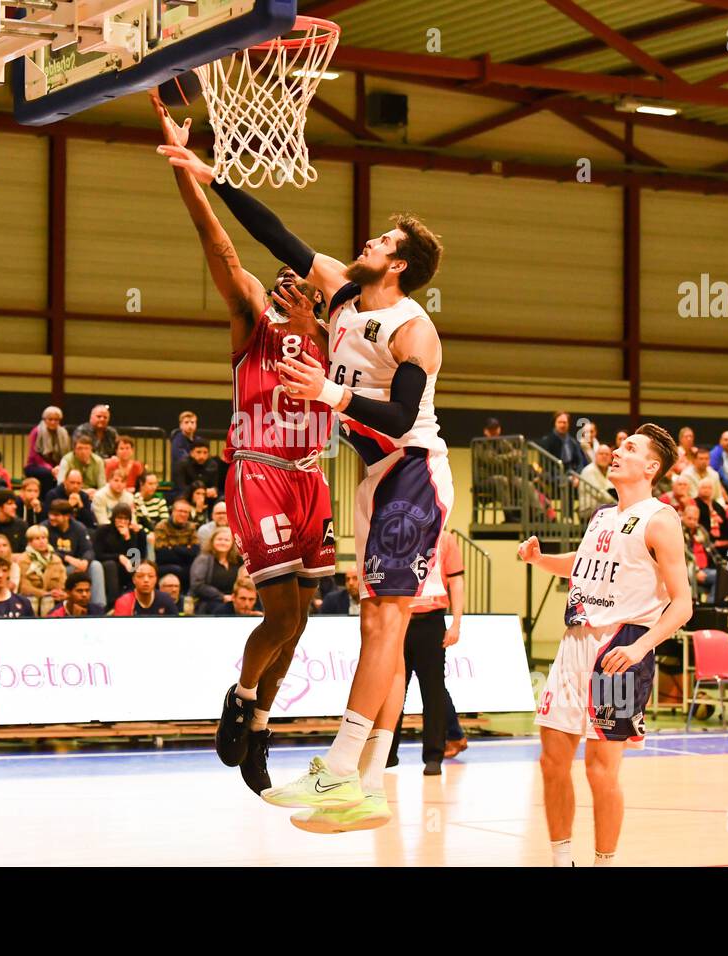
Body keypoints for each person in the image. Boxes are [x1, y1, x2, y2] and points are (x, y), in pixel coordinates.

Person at [163, 113, 451, 832]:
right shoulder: (343, 294)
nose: (368, 241)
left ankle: (344, 767)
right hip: (362, 477)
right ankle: (365, 780)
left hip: (407, 466)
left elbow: (401, 415)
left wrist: (326, 393)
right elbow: (272, 237)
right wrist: (209, 175)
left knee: (381, 623)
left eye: (382, 241)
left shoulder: (413, 326)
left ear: (400, 265)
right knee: (378, 625)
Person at [522, 425, 691, 866]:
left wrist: (641, 649)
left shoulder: (661, 518)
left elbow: (683, 604)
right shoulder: (602, 516)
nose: (617, 452)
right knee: (552, 761)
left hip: (620, 648)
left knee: (601, 771)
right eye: (619, 446)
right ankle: (562, 861)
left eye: (630, 449)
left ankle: (604, 863)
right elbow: (582, 565)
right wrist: (541, 560)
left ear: (651, 467)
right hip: (574, 642)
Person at [390, 531, 464, 774]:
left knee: (433, 691)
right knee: (394, 690)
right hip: (400, 619)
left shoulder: (446, 537)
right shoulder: (398, 534)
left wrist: (456, 623)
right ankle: (387, 753)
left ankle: (433, 756)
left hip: (432, 621)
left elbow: (456, 580)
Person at [92, 503, 147, 606]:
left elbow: (137, 559)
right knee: (111, 565)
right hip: (108, 566)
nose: (122, 522)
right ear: (113, 518)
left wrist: (127, 538)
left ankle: (134, 601)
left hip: (129, 567)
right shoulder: (103, 531)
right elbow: (98, 554)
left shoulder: (135, 533)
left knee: (136, 567)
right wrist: (119, 557)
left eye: (126, 519)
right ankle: (113, 603)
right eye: (119, 518)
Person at [190, 527, 243, 615]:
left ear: (232, 543)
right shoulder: (203, 559)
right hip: (210, 601)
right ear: (212, 541)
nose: (223, 542)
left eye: (226, 540)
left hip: (234, 601)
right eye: (219, 539)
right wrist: (222, 597)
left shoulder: (237, 560)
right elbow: (197, 585)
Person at [16, 525, 67, 617]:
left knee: (49, 600)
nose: (41, 541)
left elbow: (63, 582)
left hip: (54, 599)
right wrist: (44, 593)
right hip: (32, 599)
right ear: (30, 542)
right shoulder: (23, 560)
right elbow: (24, 587)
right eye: (37, 538)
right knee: (38, 600)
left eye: (43, 538)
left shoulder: (56, 560)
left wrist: (59, 592)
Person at [112, 561, 178, 616]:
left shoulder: (166, 599)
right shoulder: (124, 602)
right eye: (140, 576)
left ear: (156, 579)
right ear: (134, 580)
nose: (146, 580)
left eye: (151, 576)